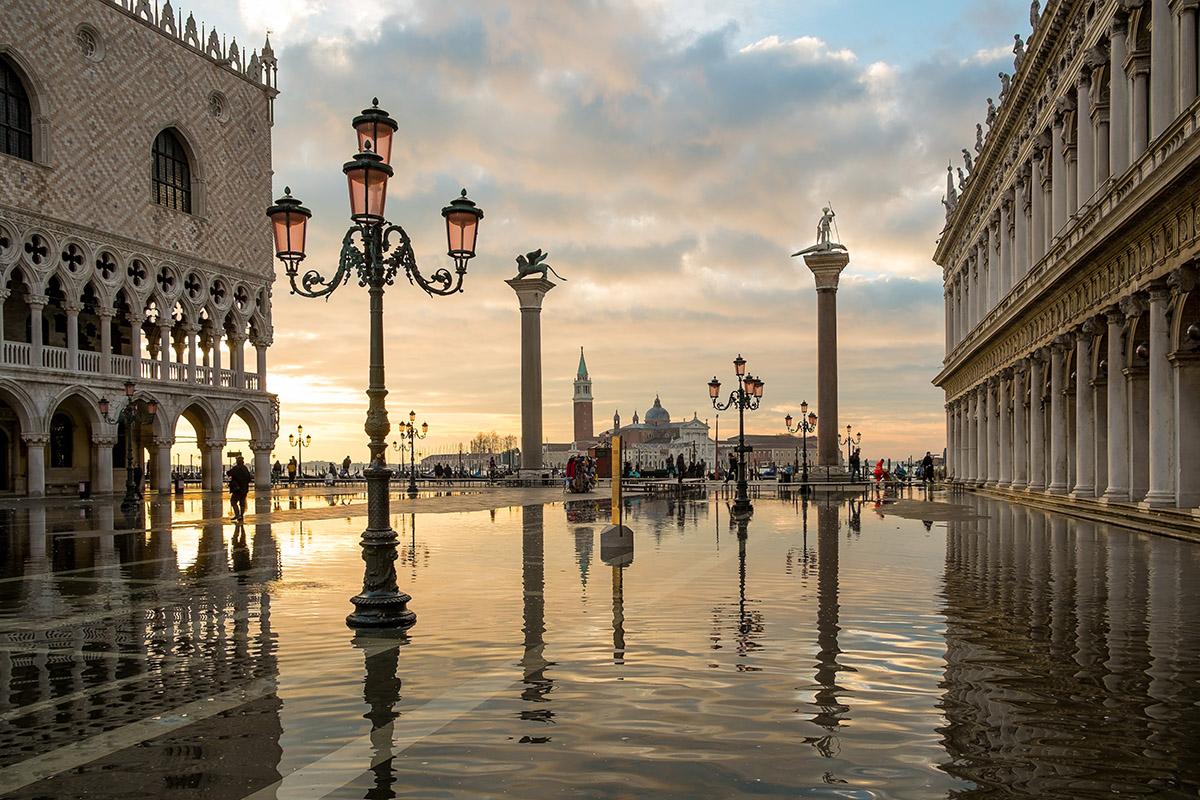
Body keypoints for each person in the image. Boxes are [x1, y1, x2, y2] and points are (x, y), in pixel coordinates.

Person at [226, 455, 251, 521]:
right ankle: (241, 516)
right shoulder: (245, 468)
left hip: (237, 489)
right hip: (245, 489)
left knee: (233, 502)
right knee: (242, 503)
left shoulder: (236, 468)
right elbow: (249, 478)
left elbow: (228, 473)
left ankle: (237, 515)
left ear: (237, 461)